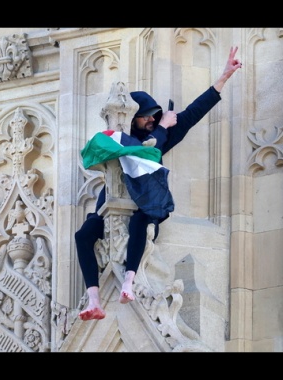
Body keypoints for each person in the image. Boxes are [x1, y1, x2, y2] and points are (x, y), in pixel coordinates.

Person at [75, 46, 243, 321]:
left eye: (155, 114)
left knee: (141, 222)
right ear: (133, 119)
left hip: (145, 203)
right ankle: (94, 299)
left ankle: (128, 282)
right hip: (111, 204)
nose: (152, 119)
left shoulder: (156, 138)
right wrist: (163, 127)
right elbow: (139, 148)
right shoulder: (122, 139)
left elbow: (191, 115)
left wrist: (223, 78)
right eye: (146, 115)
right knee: (83, 234)